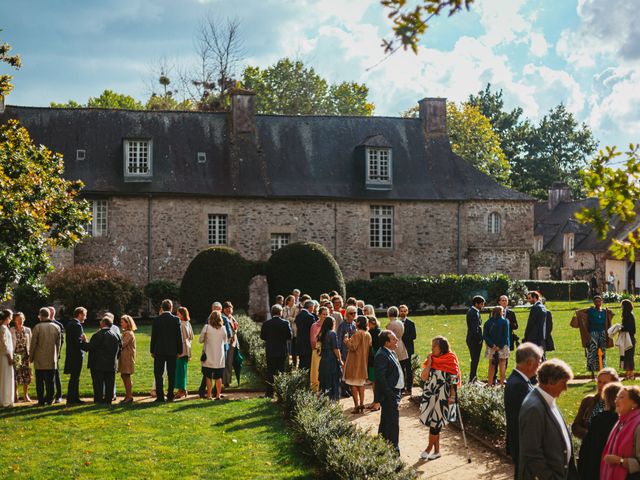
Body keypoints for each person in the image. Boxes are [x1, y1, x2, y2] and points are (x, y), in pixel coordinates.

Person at [518, 359, 577, 480]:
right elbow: (531, 452)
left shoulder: (547, 400)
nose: (565, 388)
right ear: (550, 382)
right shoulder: (534, 408)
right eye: (563, 383)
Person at [418, 335, 461, 461]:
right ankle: (436, 451)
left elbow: (454, 381)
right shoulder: (432, 359)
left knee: (435, 424)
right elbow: (424, 377)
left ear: (441, 348)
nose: (431, 349)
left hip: (443, 396)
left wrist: (452, 397)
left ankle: (428, 449)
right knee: (433, 423)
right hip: (430, 394)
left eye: (434, 347)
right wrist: (429, 363)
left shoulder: (450, 359)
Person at [504, 342, 543, 477]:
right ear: (530, 363)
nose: (540, 366)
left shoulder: (518, 381)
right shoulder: (519, 386)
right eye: (539, 362)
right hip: (524, 447)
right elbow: (522, 421)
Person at [578, 382, 622, 480]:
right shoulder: (622, 419)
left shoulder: (599, 419)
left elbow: (589, 446)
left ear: (605, 398)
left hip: (597, 464)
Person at [374, 330, 404, 454]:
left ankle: (381, 447)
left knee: (386, 421)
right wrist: (391, 395)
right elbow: (380, 379)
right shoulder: (382, 355)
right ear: (386, 343)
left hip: (394, 392)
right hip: (390, 394)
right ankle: (394, 450)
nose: (396, 340)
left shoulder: (390, 352)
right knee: (392, 423)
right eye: (393, 339)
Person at [601, 385, 640, 479]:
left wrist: (620, 461)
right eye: (617, 397)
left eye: (621, 397)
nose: (616, 401)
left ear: (634, 404)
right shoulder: (621, 422)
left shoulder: (638, 425)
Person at [82, 314, 122, 405]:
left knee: (98, 384)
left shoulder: (97, 335)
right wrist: (115, 358)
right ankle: (108, 400)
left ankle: (98, 400)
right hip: (111, 364)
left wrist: (84, 341)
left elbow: (90, 347)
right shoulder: (116, 335)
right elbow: (120, 349)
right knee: (109, 383)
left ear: (103, 323)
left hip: (98, 364)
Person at [572, 367, 620, 439]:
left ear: (614, 384)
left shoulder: (619, 403)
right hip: (588, 444)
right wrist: (589, 435)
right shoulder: (588, 400)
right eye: (599, 382)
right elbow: (575, 426)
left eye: (605, 383)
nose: (601, 385)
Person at [150, 299, 182, 403]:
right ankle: (170, 395)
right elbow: (179, 337)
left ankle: (160, 396)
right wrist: (179, 350)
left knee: (158, 374)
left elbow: (153, 337)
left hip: (159, 350)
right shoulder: (176, 320)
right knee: (171, 373)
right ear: (171, 308)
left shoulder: (156, 320)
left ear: (162, 308)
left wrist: (152, 350)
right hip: (172, 351)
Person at [574, 296, 614, 376]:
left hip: (602, 333)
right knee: (592, 351)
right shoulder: (590, 310)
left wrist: (609, 311)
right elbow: (578, 311)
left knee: (602, 352)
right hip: (593, 333)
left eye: (599, 301)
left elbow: (611, 315)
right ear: (593, 302)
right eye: (596, 301)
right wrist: (588, 308)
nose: (598, 303)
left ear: (601, 302)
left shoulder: (604, 311)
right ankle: (592, 372)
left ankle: (602, 369)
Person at [29, 307, 62, 406]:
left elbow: (33, 344)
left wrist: (31, 357)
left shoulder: (37, 327)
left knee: (40, 381)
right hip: (52, 357)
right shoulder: (56, 327)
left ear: (40, 316)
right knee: (50, 381)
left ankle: (41, 400)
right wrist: (57, 355)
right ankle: (50, 399)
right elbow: (58, 344)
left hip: (39, 358)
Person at [260, 304, 292, 398]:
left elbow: (262, 336)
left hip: (270, 350)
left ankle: (269, 392)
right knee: (281, 371)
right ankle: (281, 392)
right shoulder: (285, 323)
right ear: (281, 312)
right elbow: (289, 336)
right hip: (281, 350)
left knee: (270, 371)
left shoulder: (266, 323)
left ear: (272, 312)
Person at [343, 315, 372, 413]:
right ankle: (362, 403)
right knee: (361, 385)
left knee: (353, 385)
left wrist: (346, 340)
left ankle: (356, 406)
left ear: (358, 323)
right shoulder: (368, 334)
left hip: (354, 362)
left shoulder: (357, 334)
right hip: (363, 362)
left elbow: (353, 347)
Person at [197, 302, 225, 398]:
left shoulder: (207, 327)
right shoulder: (223, 329)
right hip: (219, 356)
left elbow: (200, 340)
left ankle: (209, 395)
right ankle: (217, 395)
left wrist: (206, 339)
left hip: (208, 355)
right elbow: (225, 341)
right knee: (218, 377)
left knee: (208, 376)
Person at [64, 307, 87, 405]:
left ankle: (74, 398)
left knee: (74, 377)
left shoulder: (70, 324)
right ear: (80, 314)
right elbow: (78, 342)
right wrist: (86, 343)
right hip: (76, 355)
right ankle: (72, 399)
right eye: (84, 315)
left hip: (71, 354)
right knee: (75, 377)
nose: (85, 317)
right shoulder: (77, 325)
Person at [483, 305, 510, 386]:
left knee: (491, 366)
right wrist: (500, 346)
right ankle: (502, 385)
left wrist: (493, 345)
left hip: (491, 347)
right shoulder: (505, 322)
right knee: (502, 365)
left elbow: (485, 336)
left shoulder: (487, 322)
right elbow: (505, 336)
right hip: (503, 346)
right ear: (500, 313)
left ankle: (489, 384)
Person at [318, 316, 342, 401]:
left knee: (324, 379)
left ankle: (324, 398)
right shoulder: (332, 333)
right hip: (331, 358)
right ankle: (333, 399)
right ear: (332, 324)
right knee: (333, 379)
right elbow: (335, 348)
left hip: (324, 359)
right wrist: (340, 360)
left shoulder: (322, 333)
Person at [10, 312, 32, 403]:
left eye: (22, 319)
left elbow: (30, 343)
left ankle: (25, 395)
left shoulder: (27, 330)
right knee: (16, 375)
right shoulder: (11, 330)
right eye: (18, 319)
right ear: (14, 320)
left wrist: (31, 354)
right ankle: (15, 395)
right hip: (16, 355)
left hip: (25, 355)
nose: (20, 321)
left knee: (26, 375)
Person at [174, 307, 193, 399]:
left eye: (178, 314)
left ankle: (182, 390)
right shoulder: (188, 323)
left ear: (182, 314)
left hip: (181, 349)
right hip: (187, 348)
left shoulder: (181, 324)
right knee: (182, 370)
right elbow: (191, 337)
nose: (177, 315)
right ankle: (181, 390)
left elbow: (180, 339)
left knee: (180, 371)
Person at [309, 306, 329, 392]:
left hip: (327, 351)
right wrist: (317, 348)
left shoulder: (329, 325)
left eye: (326, 314)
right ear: (319, 315)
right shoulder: (314, 325)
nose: (325, 316)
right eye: (323, 314)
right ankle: (315, 389)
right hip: (317, 350)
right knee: (316, 370)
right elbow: (313, 340)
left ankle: (325, 389)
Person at [118, 315, 137, 403]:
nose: (121, 323)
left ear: (127, 323)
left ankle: (129, 396)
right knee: (124, 375)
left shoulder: (129, 333)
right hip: (124, 357)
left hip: (127, 357)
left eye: (122, 322)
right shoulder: (126, 332)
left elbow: (122, 344)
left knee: (126, 375)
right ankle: (128, 395)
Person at [466, 295, 485, 382]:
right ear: (476, 304)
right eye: (481, 304)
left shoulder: (473, 311)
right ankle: (472, 379)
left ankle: (474, 378)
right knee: (475, 359)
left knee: (475, 360)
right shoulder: (473, 313)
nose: (482, 306)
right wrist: (479, 339)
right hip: (474, 340)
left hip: (472, 339)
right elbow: (475, 329)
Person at [399, 305, 416, 395]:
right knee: (400, 369)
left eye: (404, 311)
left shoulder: (411, 323)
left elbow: (413, 336)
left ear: (407, 312)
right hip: (399, 349)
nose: (403, 313)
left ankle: (409, 388)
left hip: (408, 349)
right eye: (401, 311)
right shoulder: (397, 323)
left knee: (408, 369)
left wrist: (402, 337)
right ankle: (401, 388)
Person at [49, 306, 65, 403]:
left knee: (56, 375)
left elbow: (61, 341)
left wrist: (57, 352)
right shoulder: (41, 324)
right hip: (44, 354)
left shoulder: (58, 325)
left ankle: (58, 395)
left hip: (55, 353)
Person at [295, 300, 316, 370]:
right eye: (313, 307)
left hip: (300, 342)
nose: (313, 309)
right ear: (310, 307)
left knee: (301, 362)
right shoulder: (310, 316)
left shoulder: (298, 316)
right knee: (308, 363)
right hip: (308, 343)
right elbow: (314, 330)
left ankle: (301, 378)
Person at [367, 314, 382, 411]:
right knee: (375, 382)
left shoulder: (372, 333)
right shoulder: (379, 331)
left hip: (374, 360)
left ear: (372, 323)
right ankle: (375, 401)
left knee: (375, 382)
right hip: (378, 360)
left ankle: (377, 403)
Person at [0, 310, 14, 408]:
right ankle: (5, 400)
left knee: (7, 376)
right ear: (8, 317)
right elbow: (4, 344)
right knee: (5, 376)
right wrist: (9, 356)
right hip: (5, 356)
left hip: (6, 355)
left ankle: (7, 399)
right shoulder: (2, 328)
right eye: (11, 316)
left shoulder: (4, 327)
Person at [222, 301, 238, 389]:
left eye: (230, 308)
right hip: (227, 343)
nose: (228, 310)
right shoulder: (223, 318)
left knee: (230, 363)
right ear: (223, 309)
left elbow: (235, 329)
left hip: (234, 343)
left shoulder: (232, 318)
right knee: (227, 363)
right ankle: (225, 382)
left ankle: (228, 380)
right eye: (226, 308)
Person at [620, 299, 636, 380]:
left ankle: (629, 374)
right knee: (629, 356)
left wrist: (620, 328)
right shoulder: (630, 315)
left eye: (622, 305)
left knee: (627, 356)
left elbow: (630, 329)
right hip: (630, 338)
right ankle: (630, 373)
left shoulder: (627, 316)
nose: (621, 307)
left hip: (628, 338)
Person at [283, 295, 298, 367]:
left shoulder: (296, 308)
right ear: (288, 301)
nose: (294, 301)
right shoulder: (284, 308)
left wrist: (289, 318)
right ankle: (287, 364)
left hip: (294, 331)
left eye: (294, 300)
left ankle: (294, 364)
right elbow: (284, 318)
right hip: (286, 330)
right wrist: (291, 318)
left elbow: (296, 319)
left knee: (294, 348)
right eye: (292, 300)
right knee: (287, 347)